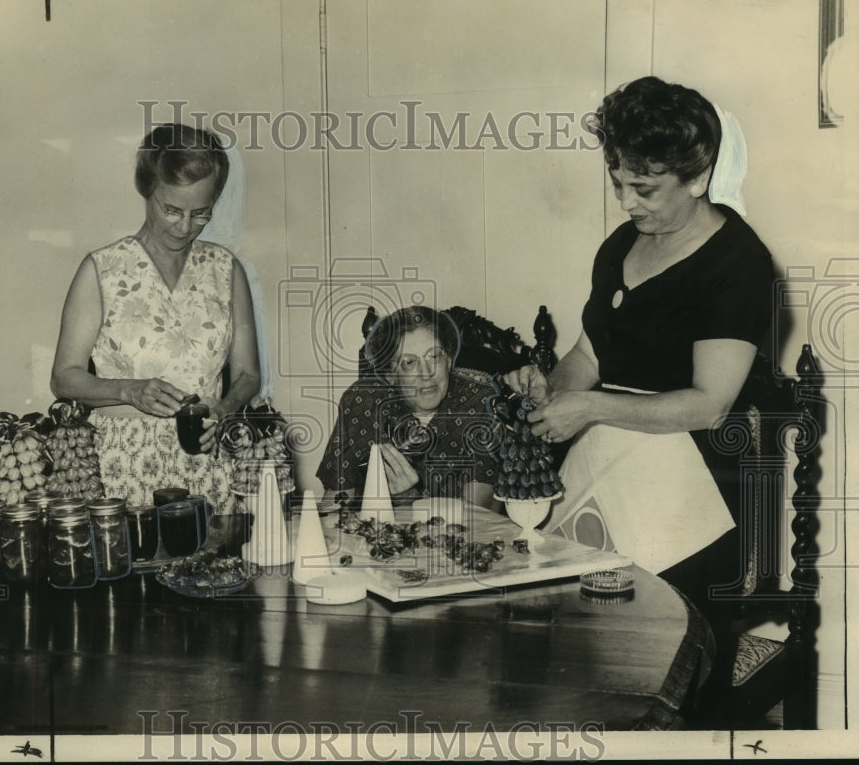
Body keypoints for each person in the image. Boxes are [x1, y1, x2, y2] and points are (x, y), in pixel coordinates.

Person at [506, 76, 774, 684]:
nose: (627, 201)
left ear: (699, 176)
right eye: (619, 182)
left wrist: (591, 408)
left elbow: (709, 406)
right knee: (560, 644)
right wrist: (552, 389)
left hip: (692, 498)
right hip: (608, 467)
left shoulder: (739, 264)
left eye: (645, 188)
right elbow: (589, 354)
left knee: (640, 668)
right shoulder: (624, 243)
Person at [51, 124, 261, 512]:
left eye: (201, 213)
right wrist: (129, 390)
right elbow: (64, 377)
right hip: (120, 465)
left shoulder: (226, 270)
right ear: (146, 190)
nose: (184, 227)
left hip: (205, 463)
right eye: (171, 210)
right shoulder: (102, 269)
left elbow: (248, 374)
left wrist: (224, 409)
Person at [317, 305, 499, 510]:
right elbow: (334, 503)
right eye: (409, 362)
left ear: (448, 359)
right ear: (390, 374)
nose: (426, 373)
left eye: (434, 356)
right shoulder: (363, 402)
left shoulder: (481, 403)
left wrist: (410, 501)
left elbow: (477, 518)